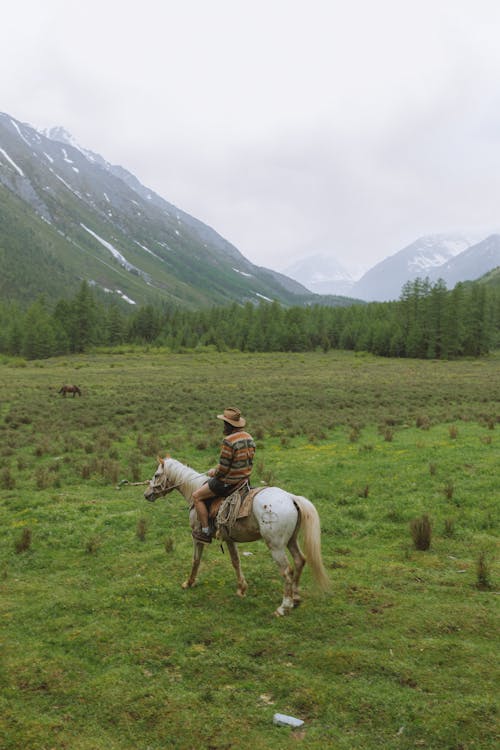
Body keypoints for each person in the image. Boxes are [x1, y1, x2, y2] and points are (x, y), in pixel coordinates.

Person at [191, 407, 256, 544]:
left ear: (228, 425)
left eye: (224, 423)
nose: (223, 426)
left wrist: (214, 471)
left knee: (196, 496)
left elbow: (223, 469)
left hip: (228, 482)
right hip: (244, 481)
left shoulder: (229, 441)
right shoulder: (249, 437)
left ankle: (205, 531)